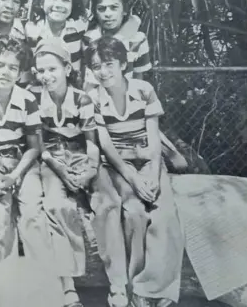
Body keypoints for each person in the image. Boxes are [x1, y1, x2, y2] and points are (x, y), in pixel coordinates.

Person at [84, 36, 184, 307]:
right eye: (96, 66)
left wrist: (152, 174)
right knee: (135, 212)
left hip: (150, 160)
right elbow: (106, 146)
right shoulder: (92, 98)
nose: (103, 71)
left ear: (123, 64)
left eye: (109, 64)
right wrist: (133, 179)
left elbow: (154, 137)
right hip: (119, 165)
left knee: (165, 216)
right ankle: (132, 287)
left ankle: (156, 288)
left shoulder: (143, 89)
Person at [0, 36, 53, 307]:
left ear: (20, 72)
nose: (6, 72)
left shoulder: (27, 100)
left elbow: (34, 147)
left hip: (21, 164)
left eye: (13, 68)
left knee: (33, 215)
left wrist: (14, 177)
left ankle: (45, 289)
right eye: (0, 65)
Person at [82, 0, 188, 173]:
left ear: (124, 11)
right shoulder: (90, 38)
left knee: (180, 163)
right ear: (95, 12)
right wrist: (128, 32)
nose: (107, 14)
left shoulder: (139, 39)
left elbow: (139, 80)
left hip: (129, 104)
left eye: (114, 7)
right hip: (100, 103)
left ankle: (161, 148)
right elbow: (91, 85)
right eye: (101, 8)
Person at [28, 41, 100, 307]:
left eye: (52, 69)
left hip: (79, 155)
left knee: (103, 205)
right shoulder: (33, 98)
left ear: (67, 68)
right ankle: (68, 286)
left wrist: (90, 170)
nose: (46, 76)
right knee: (56, 205)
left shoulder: (82, 98)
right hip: (50, 159)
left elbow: (91, 142)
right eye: (41, 71)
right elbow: (38, 146)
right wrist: (58, 168)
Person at [25, 0, 140, 90]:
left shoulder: (80, 25)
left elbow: (133, 20)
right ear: (41, 1)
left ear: (73, 4)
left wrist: (120, 39)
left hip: (75, 93)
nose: (59, 5)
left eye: (65, 0)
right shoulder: (30, 30)